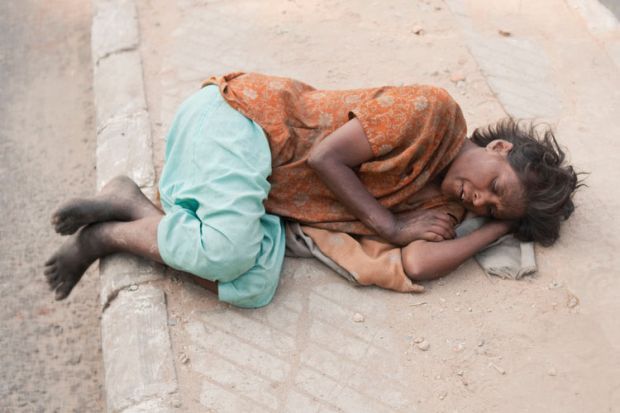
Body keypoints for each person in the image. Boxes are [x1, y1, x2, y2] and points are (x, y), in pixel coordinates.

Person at [44, 72, 580, 308]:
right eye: (493, 188)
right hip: (243, 121)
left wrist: (496, 230)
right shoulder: (433, 112)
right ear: (501, 150)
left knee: (250, 288)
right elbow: (327, 157)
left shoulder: (440, 203)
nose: (476, 201)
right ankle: (104, 238)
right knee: (224, 250)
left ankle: (130, 204)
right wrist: (389, 225)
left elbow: (415, 264)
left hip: (262, 189)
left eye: (489, 208)